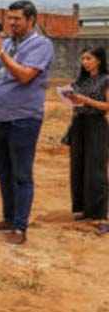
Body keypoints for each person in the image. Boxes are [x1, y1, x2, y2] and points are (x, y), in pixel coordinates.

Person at [0, 0, 54, 246]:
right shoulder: (6, 43)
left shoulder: (41, 45)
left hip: (24, 119)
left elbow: (24, 76)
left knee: (21, 174)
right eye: (9, 18)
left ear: (32, 19)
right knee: (3, 172)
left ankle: (20, 227)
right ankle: (8, 219)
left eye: (17, 19)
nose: (11, 23)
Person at [65, 47, 109, 234]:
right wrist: (71, 98)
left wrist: (86, 100)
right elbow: (76, 102)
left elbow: (107, 106)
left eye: (88, 58)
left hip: (96, 124)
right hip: (79, 124)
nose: (85, 62)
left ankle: (100, 214)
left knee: (96, 169)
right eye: (82, 58)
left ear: (99, 60)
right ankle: (82, 208)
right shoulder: (80, 80)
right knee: (78, 167)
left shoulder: (106, 80)